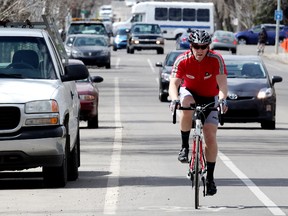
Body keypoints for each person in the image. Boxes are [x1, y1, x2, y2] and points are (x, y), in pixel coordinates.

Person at [169, 29, 228, 196]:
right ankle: (184, 147)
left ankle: (210, 178)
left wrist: (222, 100)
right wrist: (174, 99)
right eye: (196, 46)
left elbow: (222, 85)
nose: (200, 50)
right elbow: (174, 84)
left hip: (210, 97)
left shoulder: (216, 59)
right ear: (191, 46)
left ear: (208, 47)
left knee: (210, 135)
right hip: (190, 93)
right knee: (185, 103)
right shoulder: (182, 60)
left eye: (203, 46)